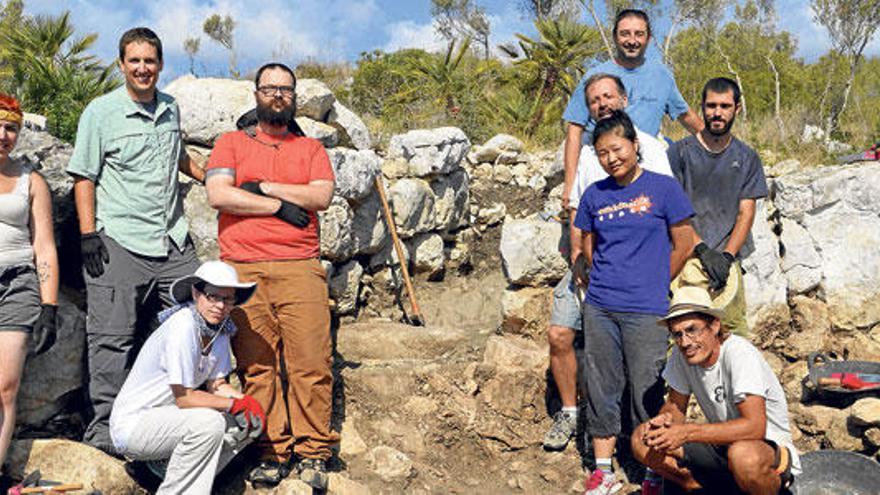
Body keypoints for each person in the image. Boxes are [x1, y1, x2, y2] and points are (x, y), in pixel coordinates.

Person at [67, 27, 206, 454]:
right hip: (120, 242)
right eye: (135, 61)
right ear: (121, 64)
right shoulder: (100, 111)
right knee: (112, 338)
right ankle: (105, 431)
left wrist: (216, 175)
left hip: (172, 241)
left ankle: (176, 417)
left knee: (193, 327)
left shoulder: (170, 108)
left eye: (150, 61)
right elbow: (84, 175)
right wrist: (88, 234)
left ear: (161, 65)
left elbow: (176, 156)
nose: (143, 68)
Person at [205, 62, 339, 489]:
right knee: (258, 365)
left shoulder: (311, 149)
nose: (278, 96)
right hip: (242, 268)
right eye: (270, 88)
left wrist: (262, 187)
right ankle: (271, 450)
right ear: (256, 93)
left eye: (285, 89)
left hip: (300, 266)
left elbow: (321, 195)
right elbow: (218, 195)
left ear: (294, 97)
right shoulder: (230, 143)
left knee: (311, 361)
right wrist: (279, 207)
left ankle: (314, 450)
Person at [543, 74, 672, 451]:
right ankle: (570, 412)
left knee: (640, 363)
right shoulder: (586, 155)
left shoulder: (650, 147)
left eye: (608, 96)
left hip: (639, 272)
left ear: (624, 99)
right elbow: (576, 212)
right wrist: (579, 260)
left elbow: (663, 213)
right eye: (595, 100)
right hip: (589, 265)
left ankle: (641, 443)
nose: (603, 103)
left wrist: (656, 272)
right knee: (559, 333)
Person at [573, 111, 696, 494]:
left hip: (648, 307)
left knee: (648, 385)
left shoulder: (663, 189)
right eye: (602, 152)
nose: (611, 158)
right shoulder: (595, 194)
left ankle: (654, 468)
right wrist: (609, 276)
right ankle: (603, 468)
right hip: (602, 306)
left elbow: (686, 243)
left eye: (617, 148)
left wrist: (657, 280)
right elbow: (588, 244)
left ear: (635, 145)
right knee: (602, 383)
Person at [109, 261, 264, 494]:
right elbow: (184, 398)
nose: (221, 305)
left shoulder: (220, 330)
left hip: (169, 420)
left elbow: (217, 385)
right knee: (210, 424)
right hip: (135, 425)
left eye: (228, 299)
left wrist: (249, 404)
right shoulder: (182, 325)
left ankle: (155, 474)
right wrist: (236, 404)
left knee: (248, 423)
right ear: (196, 293)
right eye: (213, 297)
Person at [631, 285, 800, 494]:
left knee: (743, 456)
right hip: (723, 446)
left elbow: (755, 427)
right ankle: (697, 486)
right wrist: (664, 420)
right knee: (642, 438)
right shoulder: (682, 353)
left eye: (692, 330)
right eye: (678, 334)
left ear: (714, 326)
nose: (685, 342)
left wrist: (687, 433)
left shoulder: (739, 354)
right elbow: (675, 405)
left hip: (764, 450)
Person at [561, 8, 703, 211]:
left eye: (639, 34)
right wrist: (570, 185)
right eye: (625, 33)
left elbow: (686, 115)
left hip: (646, 160)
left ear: (649, 38)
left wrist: (719, 144)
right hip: (603, 162)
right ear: (614, 37)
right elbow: (574, 130)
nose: (632, 40)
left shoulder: (662, 75)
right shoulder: (594, 77)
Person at [667, 78, 769, 336]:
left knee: (733, 334)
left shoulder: (747, 157)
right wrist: (700, 248)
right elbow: (673, 211)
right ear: (701, 106)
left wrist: (726, 257)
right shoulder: (679, 153)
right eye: (711, 105)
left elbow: (746, 211)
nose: (717, 112)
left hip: (726, 260)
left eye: (724, 106)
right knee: (680, 334)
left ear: (737, 108)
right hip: (683, 257)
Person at [0, 94, 58, 478]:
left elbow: (44, 246)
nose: (4, 134)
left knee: (5, 387)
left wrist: (49, 307)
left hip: (17, 283)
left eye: (11, 128)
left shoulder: (30, 180)